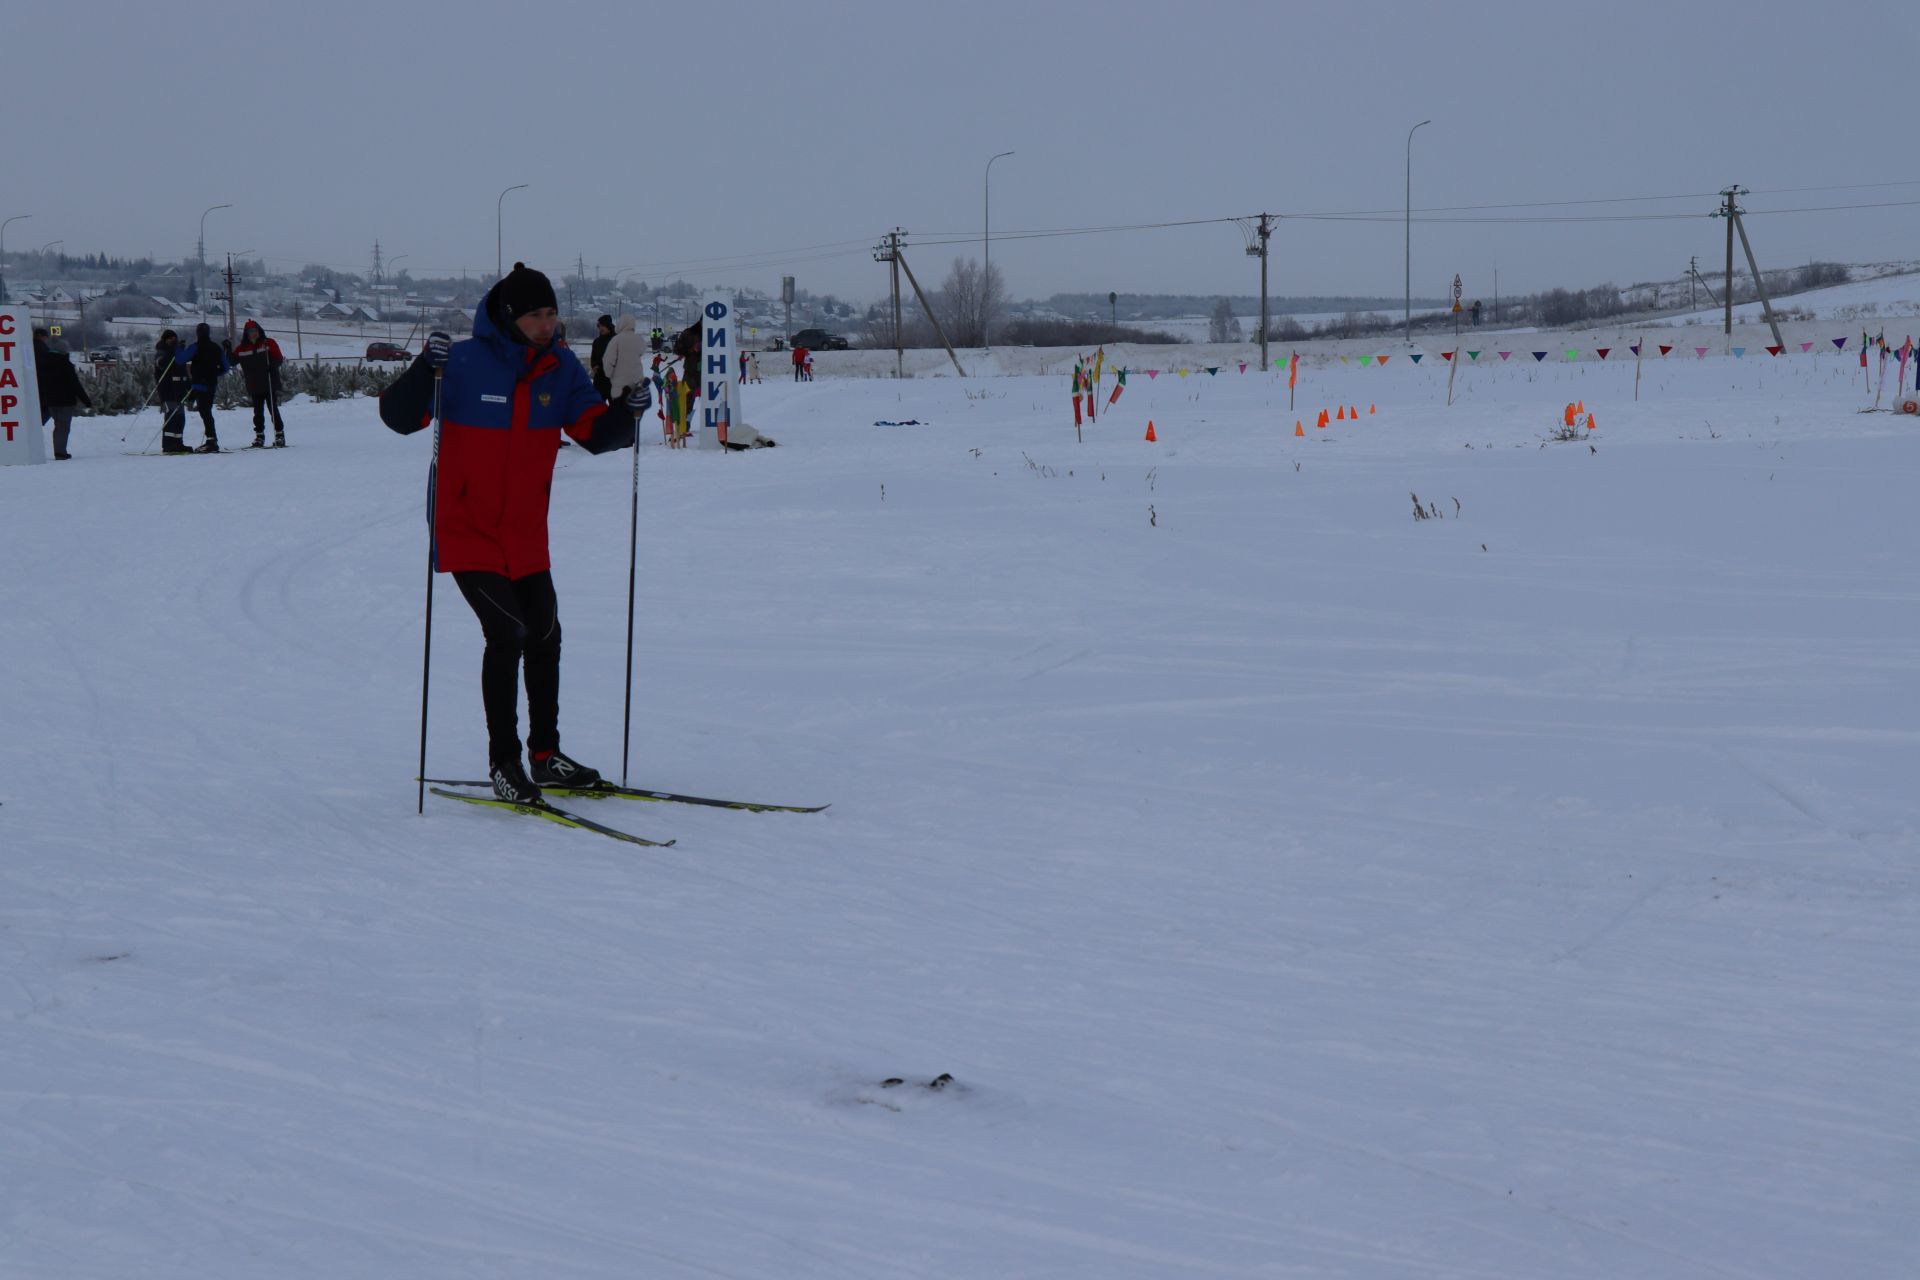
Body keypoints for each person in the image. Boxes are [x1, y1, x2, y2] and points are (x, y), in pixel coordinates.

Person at [378, 262, 646, 804]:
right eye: (534, 316)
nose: (546, 325)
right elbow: (398, 418)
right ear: (509, 316)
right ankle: (505, 763)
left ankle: (545, 757)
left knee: (545, 633)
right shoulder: (462, 362)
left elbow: (593, 433)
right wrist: (420, 370)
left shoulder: (561, 368)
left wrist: (626, 415)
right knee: (509, 634)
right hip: (467, 528)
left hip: (525, 532)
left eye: (550, 314)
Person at [32, 328, 92, 461]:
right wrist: (86, 401)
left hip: (50, 401)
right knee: (63, 427)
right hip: (65, 401)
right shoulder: (65, 365)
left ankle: (57, 450)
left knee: (57, 426)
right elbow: (75, 385)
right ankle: (60, 452)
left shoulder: (45, 364)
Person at [230, 319, 288, 447]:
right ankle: (259, 436)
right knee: (257, 411)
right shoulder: (242, 348)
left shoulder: (268, 343)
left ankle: (279, 434)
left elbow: (278, 358)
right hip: (254, 383)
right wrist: (227, 349)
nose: (253, 333)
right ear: (247, 333)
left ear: (259, 331)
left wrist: (272, 366)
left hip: (268, 381)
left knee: (273, 409)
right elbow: (231, 361)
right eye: (250, 331)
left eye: (255, 331)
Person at [177, 321, 230, 452]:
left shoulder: (196, 346)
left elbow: (180, 359)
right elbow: (226, 367)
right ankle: (211, 440)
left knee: (205, 412)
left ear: (198, 333)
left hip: (199, 384)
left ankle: (212, 441)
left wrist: (179, 348)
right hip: (212, 384)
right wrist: (215, 373)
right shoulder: (216, 348)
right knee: (207, 412)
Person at [153, 329, 194, 453]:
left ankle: (178, 443)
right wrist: (173, 351)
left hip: (179, 390)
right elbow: (163, 364)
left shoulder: (177, 353)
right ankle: (168, 445)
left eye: (174, 338)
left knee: (180, 418)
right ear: (165, 340)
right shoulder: (160, 353)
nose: (173, 341)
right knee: (171, 417)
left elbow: (183, 371)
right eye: (170, 339)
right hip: (168, 390)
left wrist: (188, 385)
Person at [600, 314, 648, 410]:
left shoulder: (616, 340)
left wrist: (609, 374)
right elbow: (642, 351)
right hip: (636, 386)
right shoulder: (639, 339)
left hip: (620, 387)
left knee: (620, 416)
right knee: (634, 416)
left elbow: (608, 360)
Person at [588, 314, 615, 403]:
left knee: (616, 412)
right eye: (599, 326)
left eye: (602, 326)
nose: (600, 328)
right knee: (597, 410)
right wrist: (594, 366)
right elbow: (593, 358)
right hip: (599, 381)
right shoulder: (597, 341)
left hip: (614, 382)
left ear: (608, 326)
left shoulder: (617, 340)